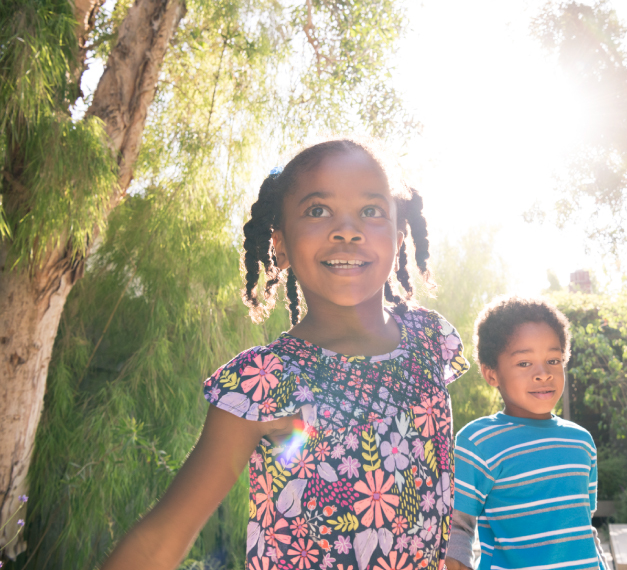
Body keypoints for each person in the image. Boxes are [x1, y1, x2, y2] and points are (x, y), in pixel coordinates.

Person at [102, 139, 469, 570]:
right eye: (318, 210)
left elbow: (430, 481)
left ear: (398, 235)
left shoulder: (430, 338)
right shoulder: (265, 380)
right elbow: (163, 537)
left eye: (371, 211)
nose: (347, 230)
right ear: (280, 245)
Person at [444, 296, 607, 570]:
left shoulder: (582, 442)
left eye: (553, 360)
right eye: (524, 363)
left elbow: (583, 526)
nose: (543, 374)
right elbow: (458, 526)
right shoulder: (478, 442)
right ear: (491, 374)